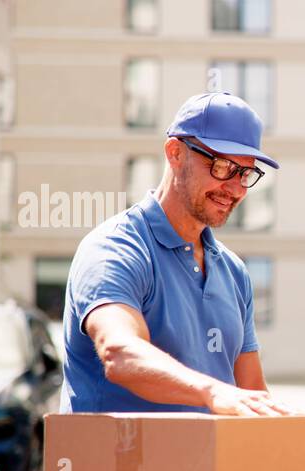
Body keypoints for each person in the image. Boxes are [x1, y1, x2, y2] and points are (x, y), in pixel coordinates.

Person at [60, 92, 293, 416]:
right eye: (222, 166)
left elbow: (252, 393)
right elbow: (119, 353)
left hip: (209, 453)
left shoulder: (233, 271)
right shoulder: (115, 248)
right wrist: (212, 392)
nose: (236, 189)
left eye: (245, 173)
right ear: (175, 153)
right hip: (120, 450)